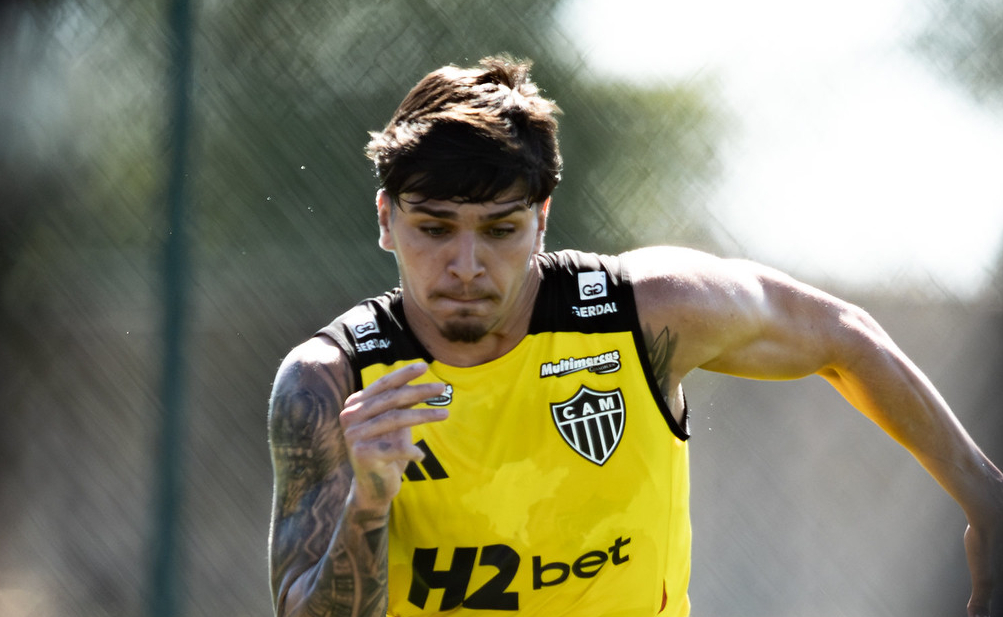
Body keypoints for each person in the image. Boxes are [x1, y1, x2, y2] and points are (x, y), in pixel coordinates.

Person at [267, 55, 1003, 617]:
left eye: (499, 229)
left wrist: (986, 500)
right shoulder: (330, 383)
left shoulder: (641, 313)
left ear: (542, 217)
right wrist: (367, 501)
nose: (465, 264)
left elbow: (841, 335)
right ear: (384, 218)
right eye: (432, 229)